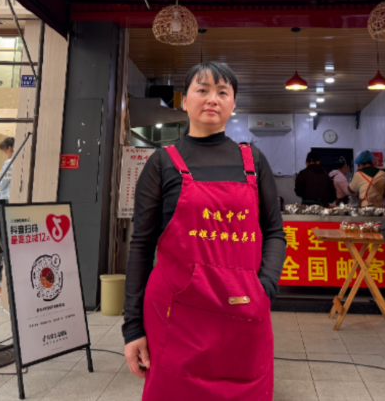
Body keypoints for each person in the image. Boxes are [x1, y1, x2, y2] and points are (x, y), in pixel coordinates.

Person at [122, 62, 285, 400]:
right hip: (176, 314)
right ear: (184, 101)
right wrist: (132, 328)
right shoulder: (162, 162)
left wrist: (265, 287)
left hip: (243, 310)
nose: (212, 99)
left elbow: (274, 232)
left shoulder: (253, 161)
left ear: (233, 103)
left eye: (223, 92)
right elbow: (141, 246)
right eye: (202, 90)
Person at [0, 137, 14, 203]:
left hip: (5, 198)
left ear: (10, 148)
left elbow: (2, 185)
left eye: (4, 150)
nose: (3, 153)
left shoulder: (8, 163)